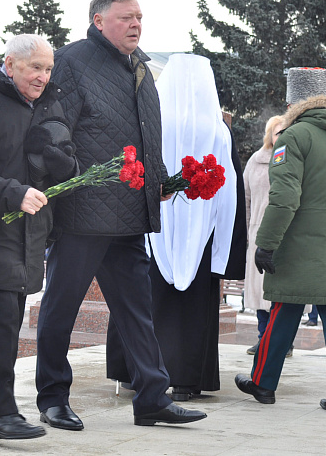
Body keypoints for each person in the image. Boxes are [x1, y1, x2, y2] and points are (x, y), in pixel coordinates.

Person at [35, 0, 206, 429]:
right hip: (84, 214)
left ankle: (153, 397)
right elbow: (54, 130)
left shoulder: (142, 70)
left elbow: (147, 135)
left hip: (129, 212)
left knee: (137, 310)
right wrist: (76, 181)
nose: (136, 25)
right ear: (98, 20)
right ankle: (52, 397)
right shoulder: (72, 62)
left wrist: (161, 180)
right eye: (126, 17)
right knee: (61, 306)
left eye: (140, 17)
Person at [0, 34, 76, 440]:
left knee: (2, 323)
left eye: (48, 68)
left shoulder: (49, 104)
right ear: (10, 64)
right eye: (34, 68)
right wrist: (14, 193)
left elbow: (66, 162)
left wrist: (62, 163)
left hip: (31, 231)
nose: (43, 76)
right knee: (4, 320)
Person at [105, 53, 246, 402]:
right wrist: (226, 248)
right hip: (202, 230)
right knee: (193, 305)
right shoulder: (218, 130)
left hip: (154, 225)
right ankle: (186, 378)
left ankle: (131, 372)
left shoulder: (150, 122)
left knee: (142, 299)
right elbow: (230, 190)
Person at [235, 67, 326, 415]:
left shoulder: (294, 137)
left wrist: (266, 243)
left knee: (282, 310)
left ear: (294, 102)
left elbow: (284, 198)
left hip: (299, 244)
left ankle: (263, 383)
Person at [243, 115, 285, 354]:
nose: (281, 137)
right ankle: (262, 337)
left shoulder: (294, 159)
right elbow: (246, 199)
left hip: (285, 234)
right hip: (258, 232)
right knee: (259, 290)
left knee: (281, 290)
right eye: (277, 132)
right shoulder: (255, 161)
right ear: (269, 135)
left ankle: (281, 340)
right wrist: (249, 231)